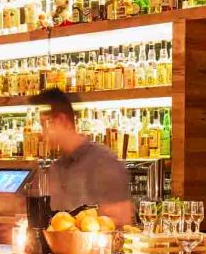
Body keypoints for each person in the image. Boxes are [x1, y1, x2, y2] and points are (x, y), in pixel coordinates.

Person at [31, 88, 133, 225]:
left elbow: (122, 220)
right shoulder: (55, 168)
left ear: (61, 120)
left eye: (45, 125)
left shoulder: (102, 161)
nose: (42, 134)